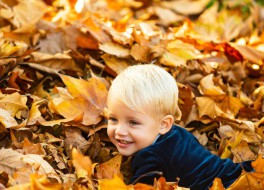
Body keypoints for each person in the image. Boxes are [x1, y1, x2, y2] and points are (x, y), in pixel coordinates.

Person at [106, 64, 253, 189]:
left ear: (164, 124)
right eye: (113, 119)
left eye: (133, 122)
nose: (119, 131)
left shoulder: (151, 158)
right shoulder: (178, 133)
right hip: (232, 172)